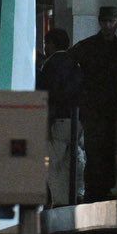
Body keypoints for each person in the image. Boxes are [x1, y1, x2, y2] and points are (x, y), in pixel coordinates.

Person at [69, 5, 117, 202]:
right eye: (105, 21)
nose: (107, 25)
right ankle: (94, 192)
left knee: (108, 152)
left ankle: (103, 191)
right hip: (95, 110)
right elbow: (68, 64)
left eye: (111, 21)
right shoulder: (88, 46)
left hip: (110, 110)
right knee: (95, 152)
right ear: (100, 22)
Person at [37, 27, 86, 205]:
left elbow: (46, 95)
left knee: (53, 166)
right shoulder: (75, 64)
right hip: (76, 120)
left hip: (57, 121)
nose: (45, 48)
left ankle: (59, 203)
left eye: (45, 43)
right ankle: (72, 199)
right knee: (69, 164)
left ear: (51, 44)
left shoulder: (50, 66)